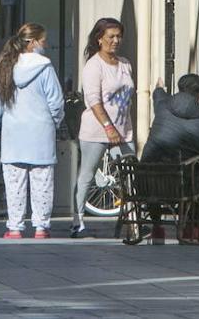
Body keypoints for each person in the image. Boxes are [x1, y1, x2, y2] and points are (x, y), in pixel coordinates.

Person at [0, 23, 65, 239]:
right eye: (43, 41)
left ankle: (15, 227)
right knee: (43, 183)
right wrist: (55, 122)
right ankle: (41, 227)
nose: (45, 45)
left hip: (13, 134)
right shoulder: (45, 67)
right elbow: (56, 101)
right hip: (41, 133)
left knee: (14, 184)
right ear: (33, 42)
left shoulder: (5, 66)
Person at [70, 17, 135, 238]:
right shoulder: (93, 65)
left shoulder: (125, 63)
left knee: (131, 175)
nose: (116, 40)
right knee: (87, 175)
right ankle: (77, 222)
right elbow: (93, 100)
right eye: (111, 37)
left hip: (124, 130)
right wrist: (108, 127)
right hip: (97, 130)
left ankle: (133, 222)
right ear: (99, 39)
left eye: (118, 36)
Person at [139, 73, 199, 243]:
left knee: (156, 172)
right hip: (181, 185)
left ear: (179, 91)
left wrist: (159, 87)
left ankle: (157, 228)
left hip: (147, 182)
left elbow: (158, 94)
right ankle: (192, 227)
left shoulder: (163, 106)